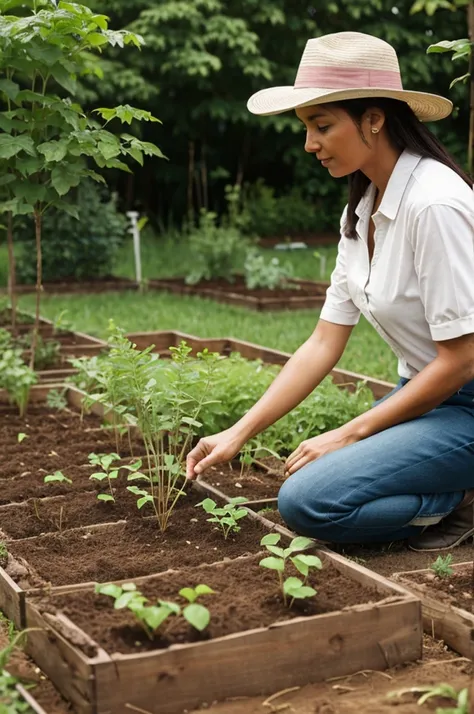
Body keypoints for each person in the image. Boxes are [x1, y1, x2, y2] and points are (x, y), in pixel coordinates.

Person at [186, 31, 474, 552]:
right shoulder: (362, 210)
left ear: (374, 119)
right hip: (427, 398)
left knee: (308, 501)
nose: (309, 144)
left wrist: (348, 433)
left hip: (465, 401)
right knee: (310, 486)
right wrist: (239, 432)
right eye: (306, 128)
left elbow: (463, 358)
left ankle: (458, 498)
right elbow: (323, 341)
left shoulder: (432, 204)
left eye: (321, 126)